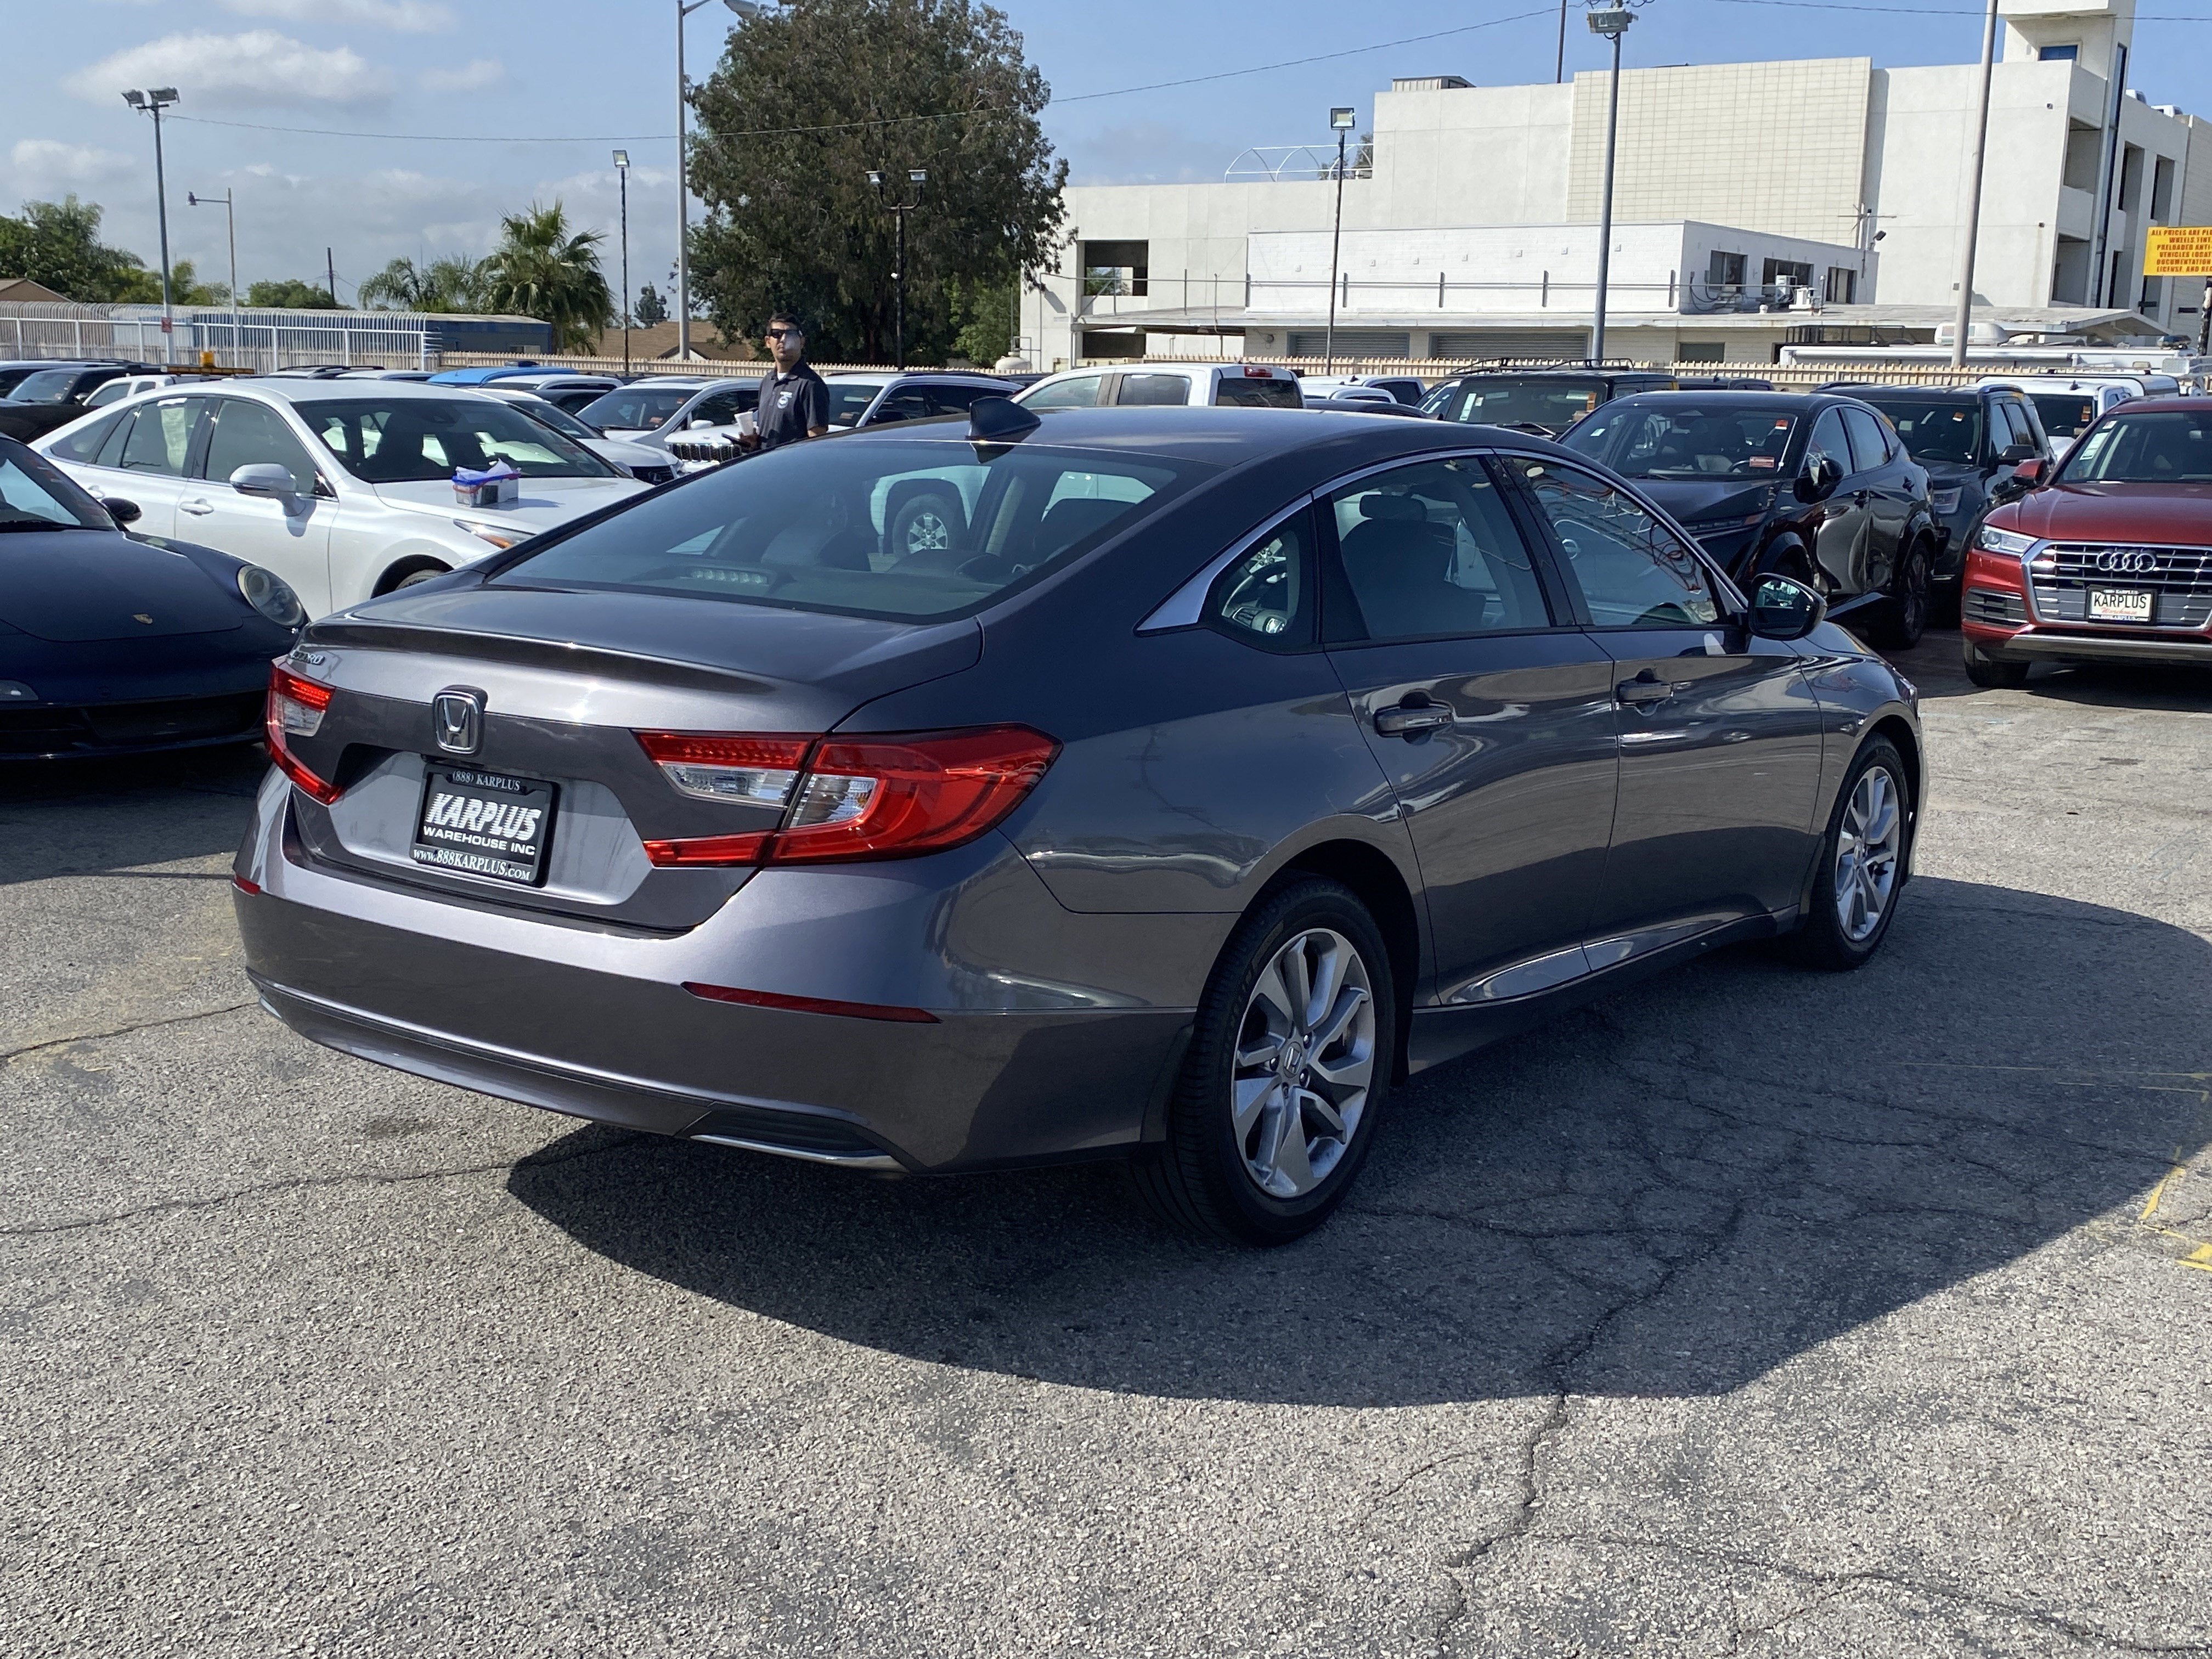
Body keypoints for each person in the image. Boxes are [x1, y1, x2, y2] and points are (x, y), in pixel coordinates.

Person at [744, 312, 830, 452]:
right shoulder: (767, 382)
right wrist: (754, 443)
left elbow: (817, 442)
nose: (783, 340)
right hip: (764, 467)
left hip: (792, 470)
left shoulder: (811, 384)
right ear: (768, 341)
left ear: (801, 342)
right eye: (777, 334)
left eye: (790, 334)